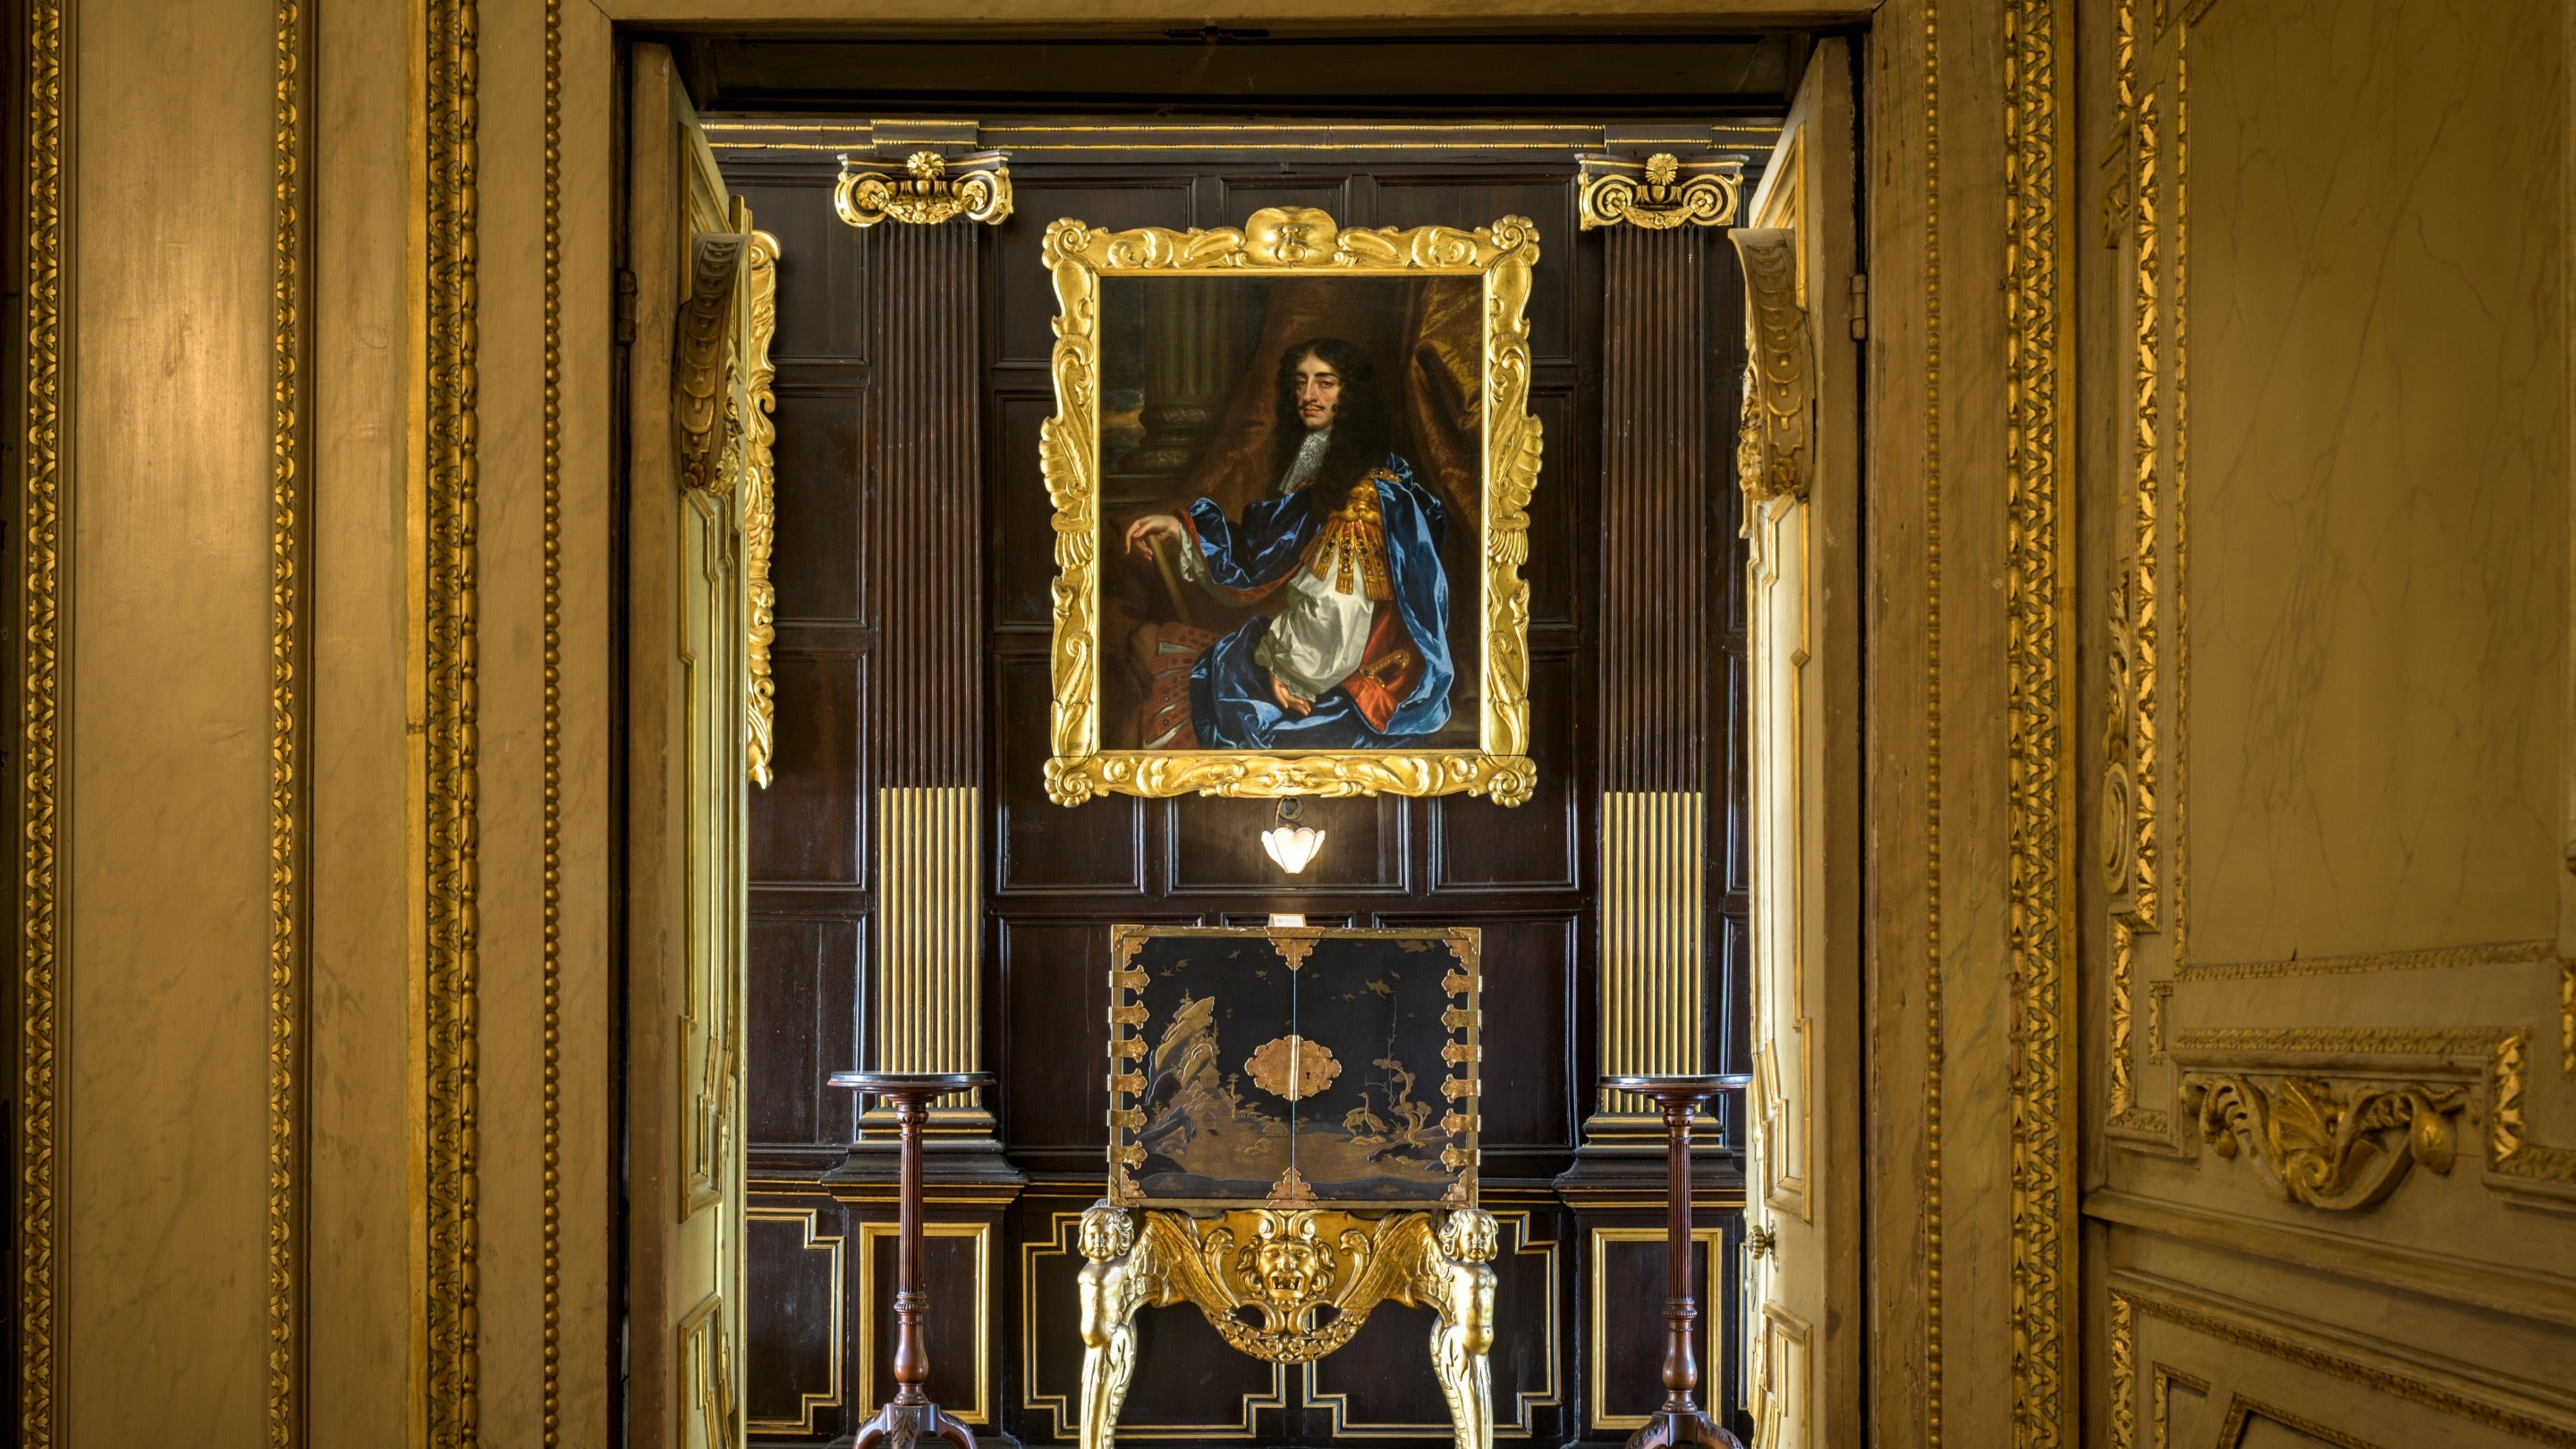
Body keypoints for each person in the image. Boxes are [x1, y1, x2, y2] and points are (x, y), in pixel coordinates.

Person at [1123, 338, 1453, 749]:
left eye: (1325, 383)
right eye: (1300, 383)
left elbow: (1338, 612)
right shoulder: (1326, 466)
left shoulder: (1359, 502)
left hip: (1336, 688)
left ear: (1351, 395)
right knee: (1144, 645)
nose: (1308, 396)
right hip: (1317, 657)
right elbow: (1268, 550)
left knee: (1147, 710)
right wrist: (1179, 530)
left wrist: (1284, 671)